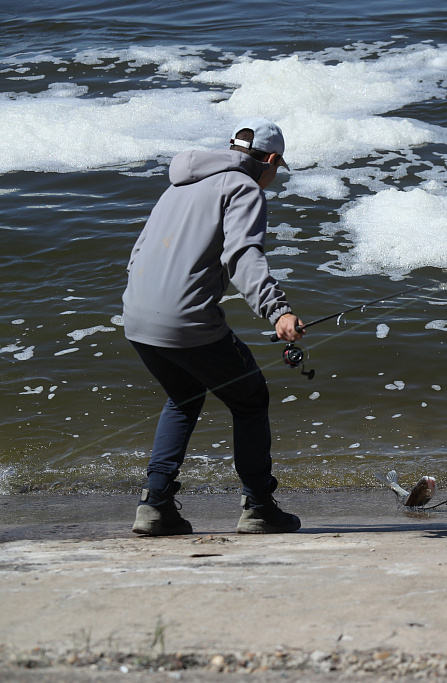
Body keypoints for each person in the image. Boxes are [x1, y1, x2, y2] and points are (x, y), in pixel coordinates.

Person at [122, 118, 304, 536]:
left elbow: (139, 251)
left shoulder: (178, 185)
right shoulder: (244, 188)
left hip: (136, 315)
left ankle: (155, 505)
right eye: (277, 168)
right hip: (185, 319)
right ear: (271, 160)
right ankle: (259, 508)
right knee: (251, 399)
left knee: (184, 396)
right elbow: (243, 256)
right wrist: (278, 312)